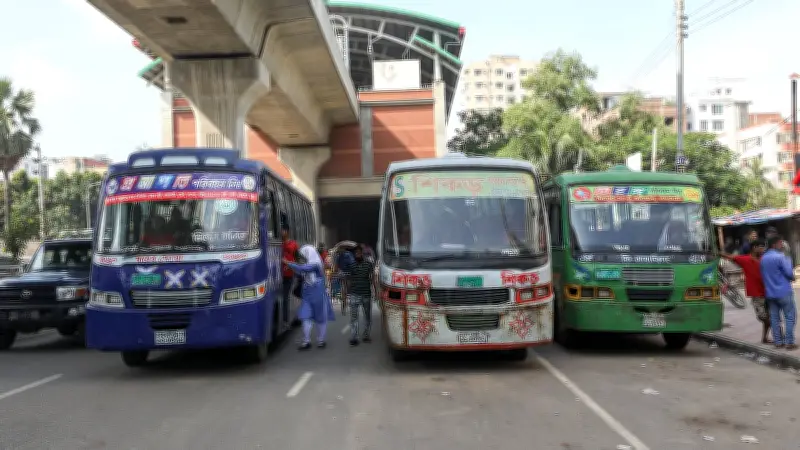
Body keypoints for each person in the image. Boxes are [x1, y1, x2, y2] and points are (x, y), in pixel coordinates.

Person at [283, 245, 336, 350]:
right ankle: (306, 341)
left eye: (304, 255)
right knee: (305, 316)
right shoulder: (307, 264)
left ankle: (321, 340)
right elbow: (300, 270)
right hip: (307, 294)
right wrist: (292, 267)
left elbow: (304, 268)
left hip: (318, 294)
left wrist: (289, 263)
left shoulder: (316, 264)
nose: (302, 258)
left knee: (320, 318)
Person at [721, 240, 771, 343]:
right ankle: (766, 337)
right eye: (760, 247)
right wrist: (716, 252)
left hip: (769, 292)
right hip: (757, 294)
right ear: (754, 248)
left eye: (763, 247)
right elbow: (730, 257)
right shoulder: (746, 259)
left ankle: (765, 338)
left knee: (769, 317)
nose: (762, 249)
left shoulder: (764, 259)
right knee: (763, 317)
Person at [760, 236, 797, 350]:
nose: (782, 245)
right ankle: (789, 342)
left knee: (775, 318)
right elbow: (789, 274)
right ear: (775, 244)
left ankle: (778, 342)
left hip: (770, 293)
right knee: (790, 317)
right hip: (784, 291)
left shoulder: (763, 258)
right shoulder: (782, 257)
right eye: (780, 243)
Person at [347, 245, 375, 346]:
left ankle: (366, 335)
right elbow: (349, 279)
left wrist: (375, 291)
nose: (358, 254)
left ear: (362, 253)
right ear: (354, 254)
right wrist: (347, 294)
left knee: (367, 316)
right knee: (354, 317)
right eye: (356, 253)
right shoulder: (351, 265)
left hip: (366, 294)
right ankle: (354, 337)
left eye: (359, 252)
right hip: (354, 294)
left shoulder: (368, 264)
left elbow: (372, 278)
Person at [281, 225, 299, 327]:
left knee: (286, 296)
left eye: (283, 230)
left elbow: (297, 259)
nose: (281, 232)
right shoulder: (279, 243)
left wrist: (290, 265)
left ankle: (286, 320)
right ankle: (285, 319)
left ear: (287, 231)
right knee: (284, 297)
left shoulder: (293, 244)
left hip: (289, 274)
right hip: (279, 274)